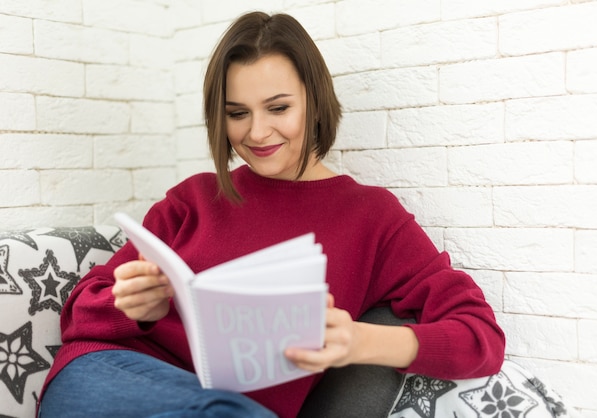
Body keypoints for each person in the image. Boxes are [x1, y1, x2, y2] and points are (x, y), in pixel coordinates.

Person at [38, 11, 505, 418]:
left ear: (314, 101)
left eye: (278, 108)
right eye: (237, 113)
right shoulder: (194, 199)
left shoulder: (373, 218)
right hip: (108, 376)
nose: (257, 132)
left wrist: (360, 342)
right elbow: (80, 309)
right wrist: (133, 307)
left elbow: (480, 337)